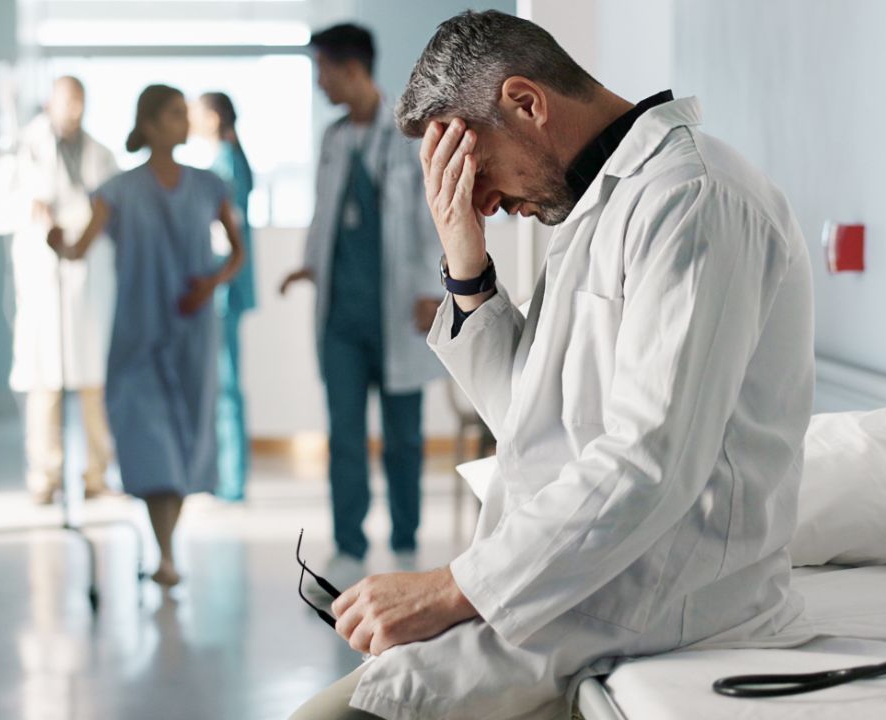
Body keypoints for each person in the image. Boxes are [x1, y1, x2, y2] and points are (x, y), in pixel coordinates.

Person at [291, 10, 815, 720]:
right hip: (577, 582)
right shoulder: (598, 208)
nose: (489, 204)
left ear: (528, 103)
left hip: (659, 598)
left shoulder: (694, 197)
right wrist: (467, 263)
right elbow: (533, 420)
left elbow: (648, 463)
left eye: (475, 171)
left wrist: (450, 589)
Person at [49, 84, 245, 587]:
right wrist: (58, 243)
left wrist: (213, 283)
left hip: (192, 332)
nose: (186, 122)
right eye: (176, 114)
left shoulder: (207, 185)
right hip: (138, 335)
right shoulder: (118, 190)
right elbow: (78, 249)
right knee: (150, 439)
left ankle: (166, 549)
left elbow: (239, 253)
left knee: (182, 442)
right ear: (152, 123)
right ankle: (165, 551)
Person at [280, 24, 445, 589]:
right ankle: (349, 543)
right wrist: (308, 263)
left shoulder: (407, 133)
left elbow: (431, 216)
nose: (319, 82)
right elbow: (325, 215)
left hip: (398, 309)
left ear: (350, 68)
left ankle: (405, 540)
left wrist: (432, 285)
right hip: (342, 317)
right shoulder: (332, 139)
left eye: (321, 70)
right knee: (345, 433)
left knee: (404, 435)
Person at [0, 76, 119, 505]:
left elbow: (114, 206)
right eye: (66, 100)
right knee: (44, 383)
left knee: (94, 382)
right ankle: (45, 476)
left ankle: (96, 475)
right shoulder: (22, 149)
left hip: (87, 280)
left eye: (80, 100)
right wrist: (28, 207)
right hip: (42, 276)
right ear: (49, 103)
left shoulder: (101, 153)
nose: (73, 108)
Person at [192, 92, 256, 503]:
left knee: (226, 384)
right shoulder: (228, 158)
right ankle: (226, 477)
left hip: (223, 288)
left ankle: (230, 481)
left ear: (214, 118)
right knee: (223, 383)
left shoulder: (225, 163)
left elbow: (224, 233)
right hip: (223, 288)